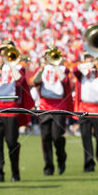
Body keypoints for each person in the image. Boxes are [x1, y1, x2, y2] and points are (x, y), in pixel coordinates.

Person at [0, 41, 32, 182]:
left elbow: (19, 81)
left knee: (11, 142)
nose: (4, 54)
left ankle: (15, 172)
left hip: (11, 108)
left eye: (7, 51)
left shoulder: (18, 67)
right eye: (2, 51)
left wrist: (9, 64)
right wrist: (0, 64)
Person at [32, 47, 72, 176]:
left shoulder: (63, 69)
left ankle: (61, 158)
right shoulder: (42, 69)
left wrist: (56, 66)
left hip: (59, 106)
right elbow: (35, 82)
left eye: (52, 55)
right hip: (44, 106)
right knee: (45, 138)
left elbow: (64, 81)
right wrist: (41, 69)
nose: (49, 57)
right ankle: (48, 166)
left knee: (56, 137)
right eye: (47, 55)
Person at [73, 52, 98, 171]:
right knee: (85, 137)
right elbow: (75, 69)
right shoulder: (83, 72)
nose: (91, 59)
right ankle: (88, 164)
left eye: (93, 57)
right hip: (84, 108)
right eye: (88, 57)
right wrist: (89, 64)